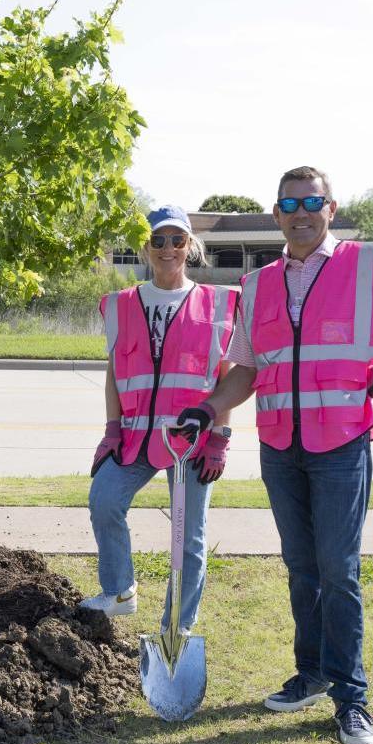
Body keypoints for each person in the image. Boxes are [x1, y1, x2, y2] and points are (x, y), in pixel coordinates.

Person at [175, 165, 373, 744]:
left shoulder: (369, 266)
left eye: (313, 201)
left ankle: (351, 697)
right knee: (301, 568)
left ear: (331, 208)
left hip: (341, 446)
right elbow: (250, 371)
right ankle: (310, 674)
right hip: (282, 447)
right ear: (277, 214)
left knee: (338, 571)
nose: (301, 212)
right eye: (289, 203)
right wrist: (208, 410)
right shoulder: (257, 286)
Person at [79, 205, 238, 633]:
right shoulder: (121, 305)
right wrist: (112, 430)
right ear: (146, 247)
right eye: (158, 240)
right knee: (104, 500)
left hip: (191, 442)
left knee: (189, 540)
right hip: (134, 439)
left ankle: (178, 627)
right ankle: (119, 591)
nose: (168, 249)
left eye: (177, 240)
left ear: (190, 247)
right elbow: (115, 372)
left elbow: (224, 376)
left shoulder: (218, 304)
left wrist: (220, 437)